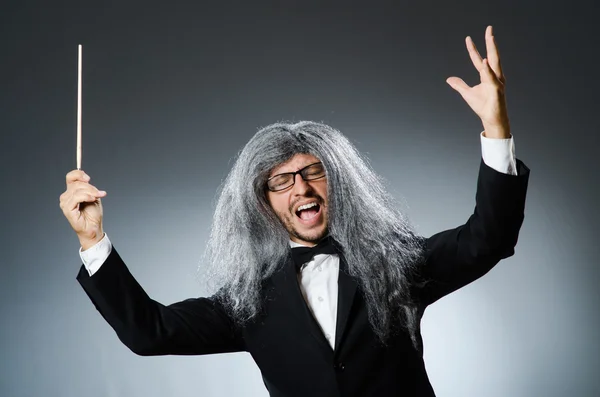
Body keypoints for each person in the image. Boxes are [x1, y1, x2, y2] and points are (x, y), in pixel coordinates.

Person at [60, 26, 530, 396]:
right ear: (262, 202)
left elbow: (488, 239)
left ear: (338, 181)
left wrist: (496, 127)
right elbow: (151, 333)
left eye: (313, 172)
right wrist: (92, 241)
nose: (301, 187)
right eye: (281, 181)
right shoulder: (249, 303)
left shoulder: (397, 268)